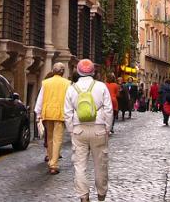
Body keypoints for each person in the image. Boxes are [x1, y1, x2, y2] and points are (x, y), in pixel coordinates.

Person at [64, 59, 113, 202]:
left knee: (79, 165)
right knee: (100, 164)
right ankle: (101, 194)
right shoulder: (101, 86)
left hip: (79, 129)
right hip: (99, 128)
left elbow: (67, 113)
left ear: (78, 71)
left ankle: (84, 196)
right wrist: (107, 128)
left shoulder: (72, 88)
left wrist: (71, 130)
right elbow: (109, 110)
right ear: (93, 72)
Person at [35, 62, 71, 174]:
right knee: (57, 139)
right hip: (60, 114)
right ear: (63, 72)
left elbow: (40, 99)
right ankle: (54, 164)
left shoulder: (46, 83)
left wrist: (38, 114)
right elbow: (69, 100)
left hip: (47, 113)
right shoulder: (67, 83)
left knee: (49, 138)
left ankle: (51, 160)